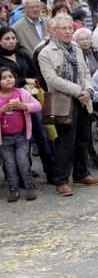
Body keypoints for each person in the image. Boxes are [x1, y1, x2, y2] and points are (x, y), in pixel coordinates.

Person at [37, 14, 98, 196]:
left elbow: (86, 73)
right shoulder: (46, 52)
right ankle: (61, 181)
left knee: (83, 139)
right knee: (65, 142)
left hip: (83, 100)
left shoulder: (77, 49)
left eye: (70, 28)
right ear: (54, 31)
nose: (68, 31)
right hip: (63, 101)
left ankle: (81, 174)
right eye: (64, 28)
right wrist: (78, 91)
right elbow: (51, 79)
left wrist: (88, 90)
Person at [0, 26, 55, 184]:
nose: (11, 41)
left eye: (13, 38)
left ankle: (51, 172)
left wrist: (33, 82)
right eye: (7, 39)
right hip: (10, 103)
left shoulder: (22, 54)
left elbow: (37, 74)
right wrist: (24, 81)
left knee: (42, 136)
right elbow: (4, 82)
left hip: (30, 99)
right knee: (18, 140)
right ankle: (22, 176)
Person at [0, 66, 41, 201]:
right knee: (9, 165)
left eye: (10, 77)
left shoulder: (22, 93)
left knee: (23, 162)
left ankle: (30, 187)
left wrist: (24, 106)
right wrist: (2, 110)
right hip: (4, 139)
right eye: (4, 78)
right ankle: (14, 189)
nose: (8, 80)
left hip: (21, 136)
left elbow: (38, 106)